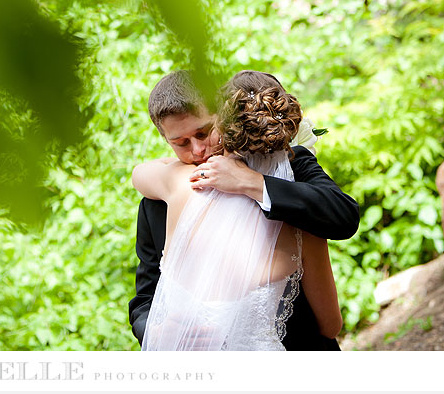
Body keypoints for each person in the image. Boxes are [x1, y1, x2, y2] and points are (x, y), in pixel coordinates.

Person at [129, 70, 360, 350]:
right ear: (166, 140)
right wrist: (157, 329)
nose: (199, 150)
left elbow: (344, 216)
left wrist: (252, 183)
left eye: (204, 132)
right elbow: (144, 301)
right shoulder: (158, 202)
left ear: (226, 117)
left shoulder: (291, 173)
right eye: (181, 143)